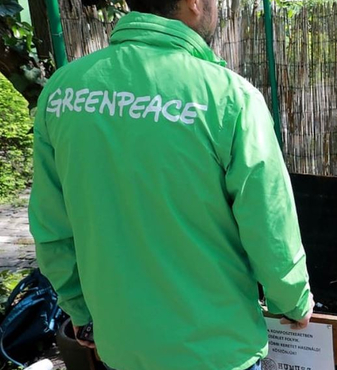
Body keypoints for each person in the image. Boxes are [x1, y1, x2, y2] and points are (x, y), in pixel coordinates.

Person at [28, 0, 313, 369]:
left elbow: (52, 228)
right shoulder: (230, 98)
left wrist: (79, 311)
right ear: (195, 3)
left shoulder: (62, 91)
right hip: (219, 351)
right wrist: (291, 301)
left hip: (122, 346)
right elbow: (269, 225)